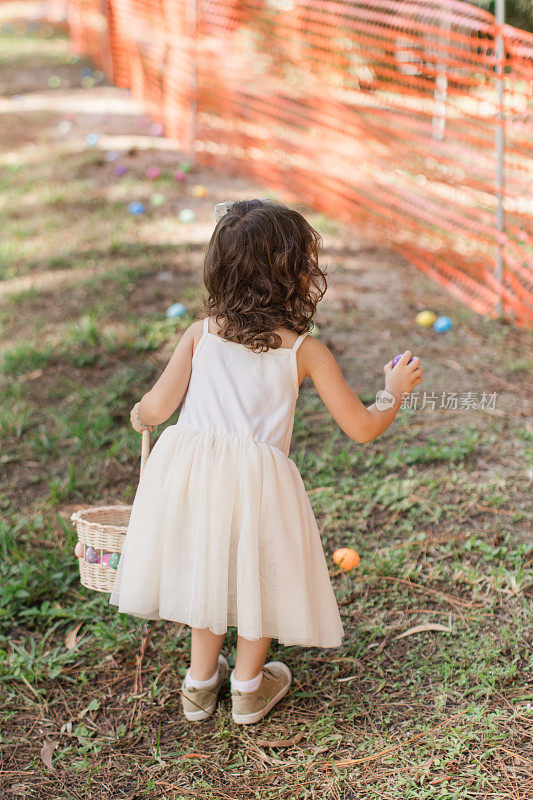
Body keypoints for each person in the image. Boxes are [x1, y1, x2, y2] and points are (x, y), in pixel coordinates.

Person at [108, 199, 423, 725]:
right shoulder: (305, 351)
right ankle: (250, 688)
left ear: (220, 270)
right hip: (259, 487)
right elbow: (364, 427)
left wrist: (140, 413)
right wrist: (392, 391)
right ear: (297, 275)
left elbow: (157, 409)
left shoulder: (202, 333)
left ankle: (199, 685)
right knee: (259, 576)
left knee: (211, 571)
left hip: (198, 482)